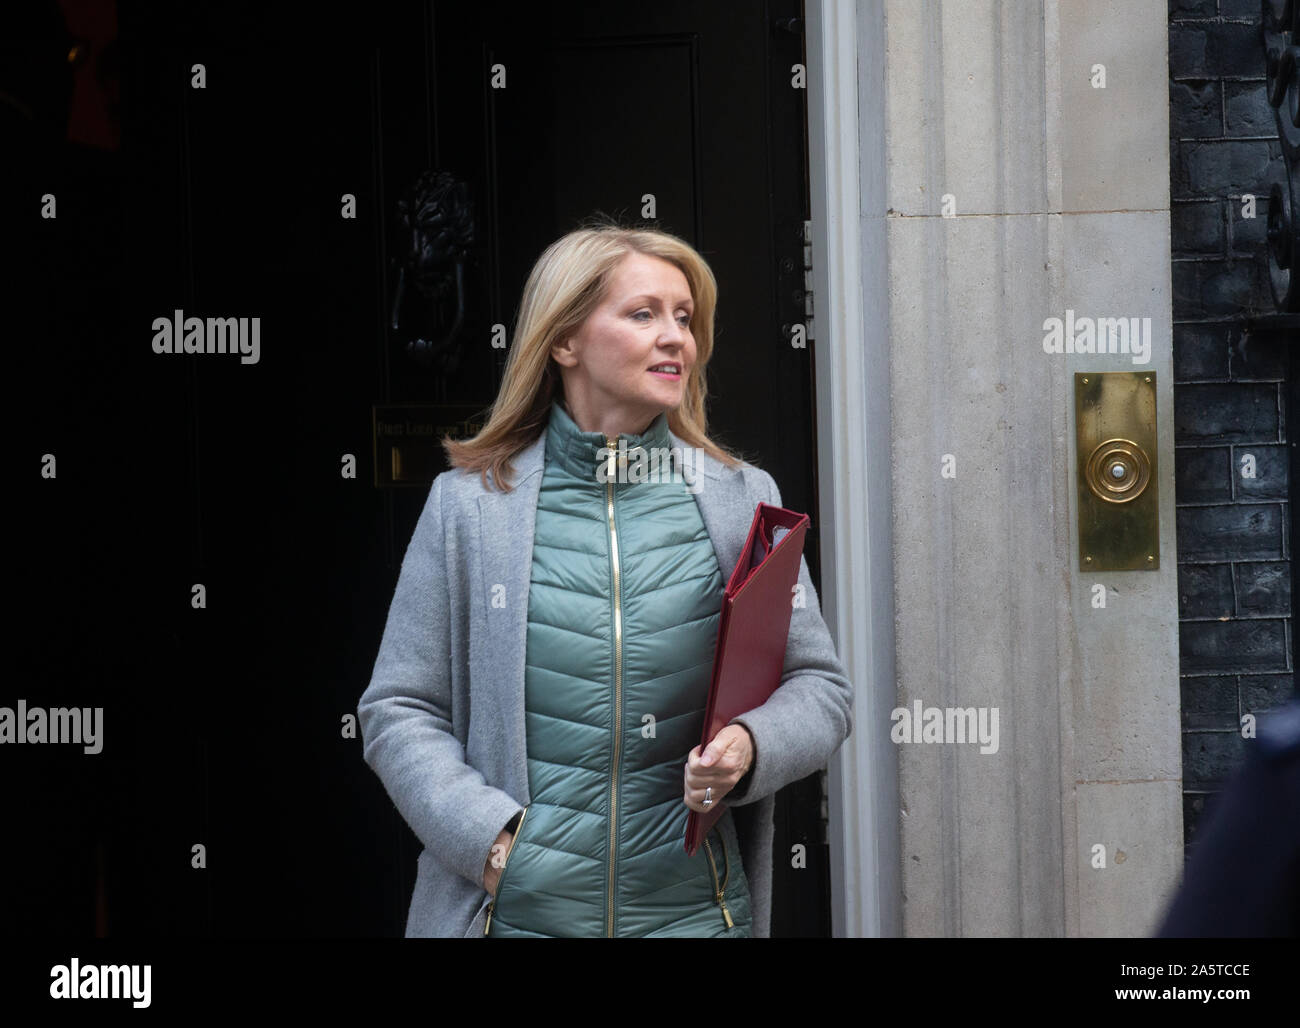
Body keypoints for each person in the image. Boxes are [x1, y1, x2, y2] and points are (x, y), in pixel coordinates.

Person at [357, 222, 853, 937]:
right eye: (644, 313)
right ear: (564, 341)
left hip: (694, 918)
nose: (675, 336)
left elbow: (822, 688)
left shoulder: (738, 497)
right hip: (516, 917)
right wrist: (493, 845)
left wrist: (749, 744)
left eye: (684, 317)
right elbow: (399, 708)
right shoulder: (470, 506)